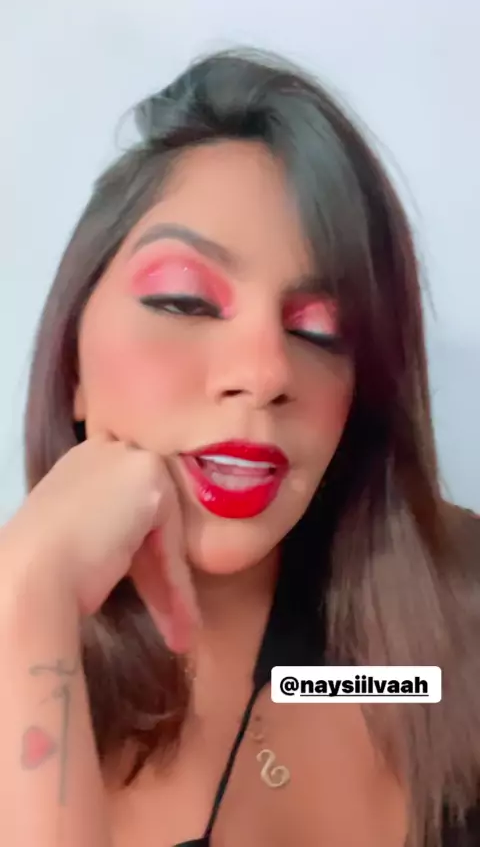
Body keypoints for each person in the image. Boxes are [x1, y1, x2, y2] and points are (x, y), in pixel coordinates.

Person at [1, 47, 479, 847]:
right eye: (185, 301)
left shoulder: (443, 626)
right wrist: (27, 603)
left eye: (320, 331)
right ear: (71, 363)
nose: (265, 374)